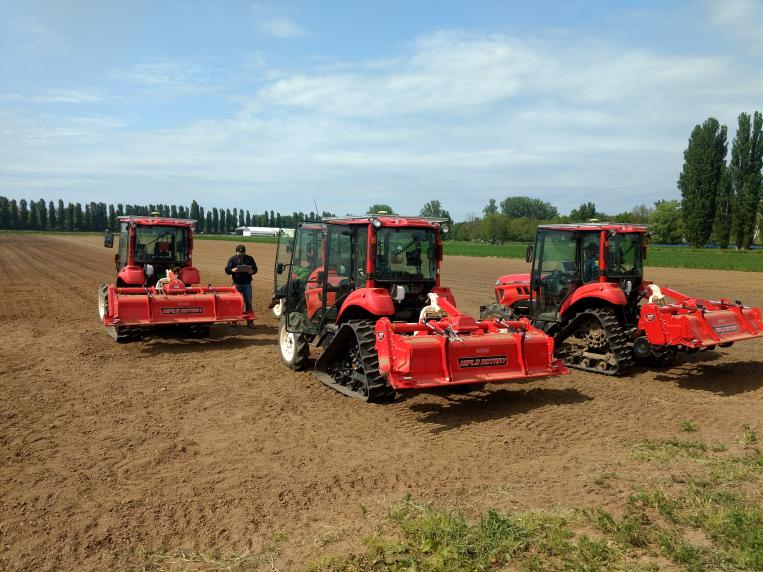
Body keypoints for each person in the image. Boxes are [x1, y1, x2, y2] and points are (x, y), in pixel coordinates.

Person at [225, 244, 257, 328]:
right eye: (239, 254)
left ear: (244, 252)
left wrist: (252, 271)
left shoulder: (250, 259)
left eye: (242, 254)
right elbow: (227, 270)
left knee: (248, 303)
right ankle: (234, 320)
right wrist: (232, 270)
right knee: (236, 303)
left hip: (247, 284)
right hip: (236, 284)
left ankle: (250, 322)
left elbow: (255, 269)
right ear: (236, 252)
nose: (241, 255)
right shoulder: (232, 259)